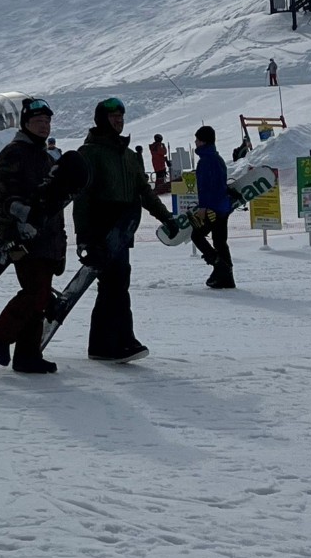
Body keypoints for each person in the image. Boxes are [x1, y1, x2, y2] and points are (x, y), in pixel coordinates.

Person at [73, 98, 178, 362]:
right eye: (113, 117)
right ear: (101, 120)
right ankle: (120, 341)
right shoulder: (90, 153)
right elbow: (82, 197)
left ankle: (104, 344)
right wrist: (84, 237)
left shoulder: (129, 156)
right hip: (101, 229)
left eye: (121, 117)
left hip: (123, 228)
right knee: (114, 285)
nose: (119, 121)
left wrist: (167, 218)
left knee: (116, 284)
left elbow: (145, 193)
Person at [0, 97, 65, 374]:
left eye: (47, 121)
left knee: (39, 297)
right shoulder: (14, 153)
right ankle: (0, 334)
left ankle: (28, 355)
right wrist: (20, 222)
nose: (44, 126)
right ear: (26, 124)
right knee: (35, 292)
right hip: (22, 236)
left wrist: (60, 238)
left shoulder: (46, 156)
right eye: (38, 121)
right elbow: (6, 196)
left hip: (46, 237)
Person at [188, 125, 235, 289]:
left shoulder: (206, 161)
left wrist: (203, 207)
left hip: (212, 208)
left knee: (197, 236)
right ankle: (228, 278)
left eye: (197, 139)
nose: (195, 142)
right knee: (220, 241)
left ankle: (220, 266)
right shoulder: (217, 158)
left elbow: (206, 187)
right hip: (223, 206)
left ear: (204, 141)